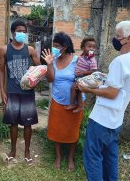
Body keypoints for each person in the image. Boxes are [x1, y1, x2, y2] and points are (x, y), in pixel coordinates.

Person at [78, 20, 130, 181]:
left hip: (102, 119)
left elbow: (112, 93)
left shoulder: (120, 61)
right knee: (110, 158)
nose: (115, 39)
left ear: (129, 38)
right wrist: (108, 79)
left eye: (118, 36)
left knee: (93, 158)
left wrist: (87, 89)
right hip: (116, 120)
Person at [0, 20, 41, 165]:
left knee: (27, 124)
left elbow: (40, 69)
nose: (22, 33)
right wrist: (2, 91)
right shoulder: (4, 50)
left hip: (27, 93)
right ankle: (13, 150)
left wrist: (34, 80)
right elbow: (1, 71)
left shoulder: (30, 50)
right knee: (13, 123)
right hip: (12, 92)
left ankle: (27, 151)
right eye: (19, 31)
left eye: (24, 31)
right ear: (13, 32)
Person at [41, 32, 84, 171]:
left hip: (74, 103)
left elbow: (83, 78)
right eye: (53, 45)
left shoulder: (76, 60)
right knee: (57, 129)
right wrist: (48, 64)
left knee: (73, 130)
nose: (54, 48)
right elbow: (50, 79)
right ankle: (58, 156)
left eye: (57, 46)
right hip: (57, 100)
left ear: (64, 47)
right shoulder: (53, 60)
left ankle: (70, 157)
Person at [67, 37, 97, 113]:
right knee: (78, 92)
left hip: (84, 78)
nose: (92, 49)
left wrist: (83, 72)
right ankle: (80, 106)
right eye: (89, 46)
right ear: (83, 48)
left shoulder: (92, 59)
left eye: (93, 47)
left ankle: (72, 104)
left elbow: (93, 70)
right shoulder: (83, 56)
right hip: (79, 77)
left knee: (73, 88)